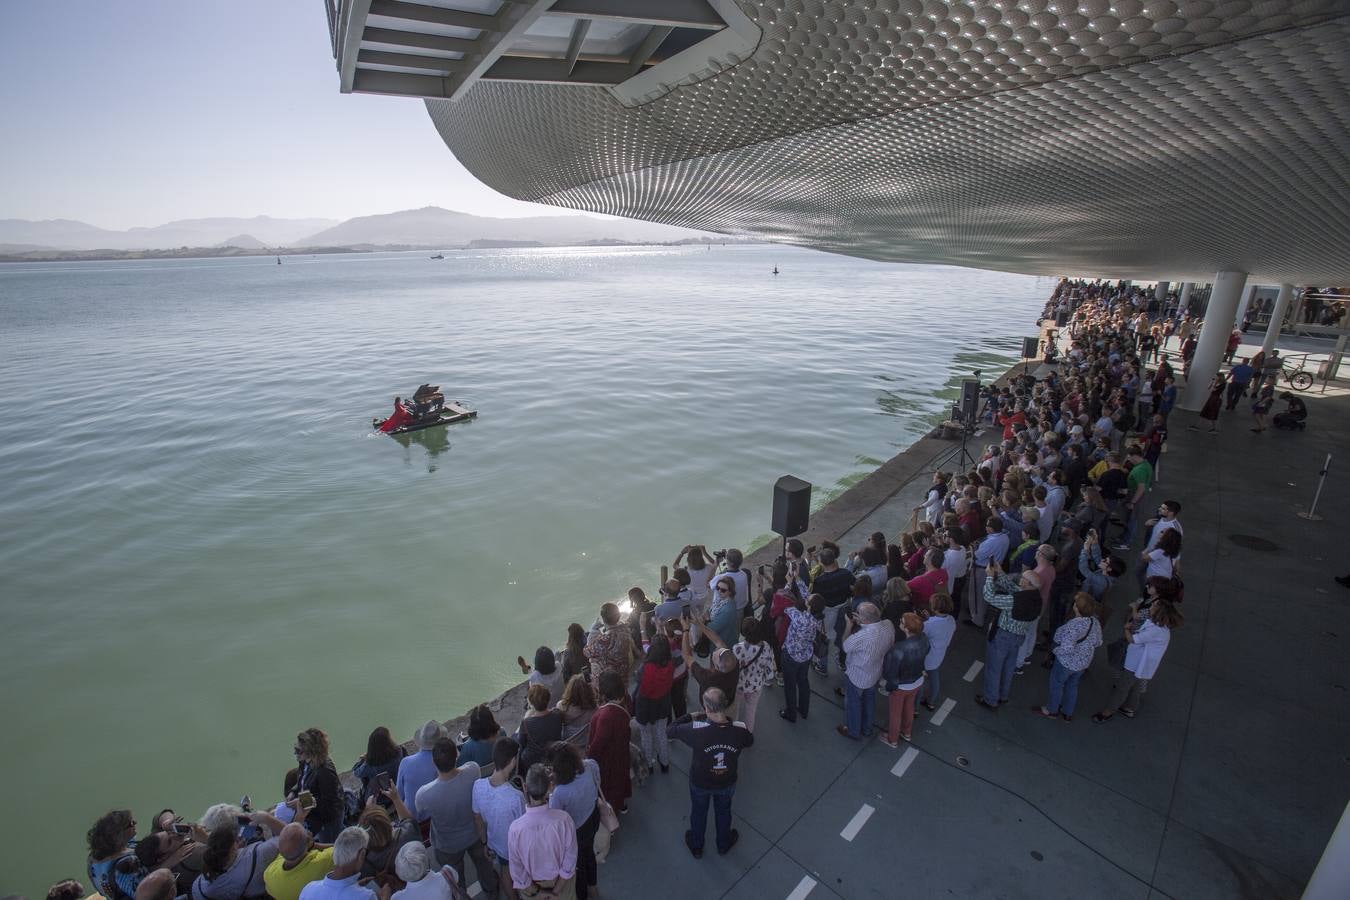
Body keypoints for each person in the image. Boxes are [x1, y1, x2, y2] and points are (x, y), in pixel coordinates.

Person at [671, 688, 755, 858]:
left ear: (707, 709)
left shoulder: (696, 730)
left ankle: (697, 845)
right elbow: (750, 741)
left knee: (699, 812)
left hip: (700, 782)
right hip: (727, 781)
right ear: (725, 705)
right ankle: (723, 844)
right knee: (724, 811)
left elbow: (671, 729)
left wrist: (691, 716)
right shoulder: (739, 729)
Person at [415, 738, 496, 897]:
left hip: (447, 845)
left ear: (434, 762)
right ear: (457, 755)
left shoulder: (424, 794)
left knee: (456, 880)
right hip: (475, 835)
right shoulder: (472, 769)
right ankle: (493, 893)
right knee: (484, 866)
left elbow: (419, 812)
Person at [1094, 600, 1184, 723]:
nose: (1150, 607)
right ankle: (1130, 707)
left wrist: (1126, 628)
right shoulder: (1161, 628)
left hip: (1136, 663)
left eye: (1153, 606)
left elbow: (1132, 639)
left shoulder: (1155, 630)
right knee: (1136, 686)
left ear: (1158, 612)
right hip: (1141, 663)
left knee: (1122, 688)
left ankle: (1107, 712)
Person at [976, 564, 1042, 711]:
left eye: (1023, 578)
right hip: (1018, 637)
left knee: (994, 668)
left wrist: (989, 577)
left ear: (1028, 583)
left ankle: (990, 700)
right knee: (1008, 668)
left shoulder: (1015, 601)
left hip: (1003, 637)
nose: (1020, 578)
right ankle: (1003, 695)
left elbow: (989, 596)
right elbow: (1014, 589)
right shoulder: (1035, 597)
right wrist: (999, 572)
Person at [192, 805, 290, 900]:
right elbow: (290, 837)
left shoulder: (198, 886)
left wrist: (209, 842)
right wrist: (266, 818)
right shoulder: (258, 853)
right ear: (235, 844)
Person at [507, 766, 577, 899]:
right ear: (550, 787)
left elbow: (517, 871)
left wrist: (538, 892)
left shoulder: (515, 829)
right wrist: (556, 891)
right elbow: (570, 859)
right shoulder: (564, 820)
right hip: (561, 883)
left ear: (525, 787)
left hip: (532, 887)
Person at [1033, 593, 1102, 721]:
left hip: (1066, 663)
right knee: (1073, 685)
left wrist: (1054, 650)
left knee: (1057, 685)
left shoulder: (1073, 625)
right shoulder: (1095, 622)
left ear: (1077, 608)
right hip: (1083, 663)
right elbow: (1098, 642)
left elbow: (1067, 649)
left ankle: (1052, 710)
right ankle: (1067, 712)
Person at [471, 738, 525, 900]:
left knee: (504, 874)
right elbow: (524, 827)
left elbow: (478, 818)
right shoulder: (516, 797)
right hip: (515, 849)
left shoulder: (477, 786)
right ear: (513, 760)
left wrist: (484, 843)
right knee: (518, 876)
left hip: (495, 844)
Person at [547, 743, 601, 900]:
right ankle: (593, 887)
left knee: (578, 865)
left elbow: (555, 817)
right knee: (589, 852)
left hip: (575, 832)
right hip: (593, 817)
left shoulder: (559, 792)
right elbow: (598, 782)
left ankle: (583, 894)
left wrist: (550, 792)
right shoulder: (590, 765)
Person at [835, 602, 894, 740]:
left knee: (853, 704)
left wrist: (849, 626)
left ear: (865, 619)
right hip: (875, 672)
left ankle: (852, 731)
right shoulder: (888, 625)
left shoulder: (863, 636)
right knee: (869, 701)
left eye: (858, 614)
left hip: (857, 674)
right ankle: (867, 729)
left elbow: (845, 646)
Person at [585, 670, 632, 816]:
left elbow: (598, 744)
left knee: (609, 786)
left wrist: (588, 757)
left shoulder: (606, 715)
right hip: (622, 751)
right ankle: (622, 804)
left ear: (604, 691)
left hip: (608, 759)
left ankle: (611, 812)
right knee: (621, 778)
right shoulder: (626, 700)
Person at [880, 612, 930, 747]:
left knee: (895, 713)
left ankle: (892, 739)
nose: (900, 623)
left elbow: (890, 672)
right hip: (917, 681)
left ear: (907, 629)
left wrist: (890, 686)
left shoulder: (898, 649)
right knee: (909, 707)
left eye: (902, 622)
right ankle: (907, 733)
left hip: (900, 686)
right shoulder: (924, 639)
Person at [296, 827, 383, 900]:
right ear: (362, 855)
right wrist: (384, 897)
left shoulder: (308, 889)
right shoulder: (366, 896)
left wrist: (355, 886)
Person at [779, 591, 824, 722]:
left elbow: (784, 604)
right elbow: (807, 596)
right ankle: (804, 710)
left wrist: (788, 585)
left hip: (791, 656)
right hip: (806, 655)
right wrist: (796, 578)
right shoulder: (818, 618)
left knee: (790, 686)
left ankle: (790, 713)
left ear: (809, 606)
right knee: (803, 682)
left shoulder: (799, 617)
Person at [809, 547, 856, 674]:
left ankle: (822, 666)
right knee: (843, 635)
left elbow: (815, 599)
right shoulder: (846, 573)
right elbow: (853, 587)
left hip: (827, 614)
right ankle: (841, 662)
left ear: (822, 563)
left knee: (823, 640)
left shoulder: (820, 581)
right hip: (844, 609)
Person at [633, 634, 675, 772]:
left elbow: (638, 679)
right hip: (663, 704)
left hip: (645, 706)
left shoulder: (645, 668)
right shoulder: (670, 664)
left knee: (646, 736)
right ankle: (664, 762)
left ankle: (649, 764)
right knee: (661, 733)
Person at [87, 810, 148, 900]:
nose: (135, 823)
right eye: (131, 823)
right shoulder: (126, 866)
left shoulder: (93, 859)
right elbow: (147, 894)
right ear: (120, 834)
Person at [265, 822, 334, 900]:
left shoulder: (269, 873)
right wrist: (314, 845)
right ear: (308, 842)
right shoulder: (324, 861)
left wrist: (299, 816)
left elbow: (291, 837)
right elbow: (341, 848)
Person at [399, 721, 447, 825]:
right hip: (437, 817)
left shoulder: (406, 762)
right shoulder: (444, 762)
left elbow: (399, 794)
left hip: (412, 820)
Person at [583, 603, 636, 696]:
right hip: (623, 673)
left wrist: (592, 632)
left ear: (603, 619)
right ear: (619, 616)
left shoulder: (604, 640)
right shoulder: (625, 630)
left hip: (608, 679)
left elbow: (587, 652)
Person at [919, 591, 956, 712]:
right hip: (939, 655)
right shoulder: (951, 620)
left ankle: (915, 706)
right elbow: (939, 627)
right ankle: (931, 702)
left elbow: (920, 635)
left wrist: (925, 620)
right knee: (934, 679)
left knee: (920, 683)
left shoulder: (928, 625)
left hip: (926, 658)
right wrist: (929, 618)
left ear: (934, 608)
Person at [515, 685, 564, 776]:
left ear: (531, 703)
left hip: (533, 760)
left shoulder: (526, 723)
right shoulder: (557, 715)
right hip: (554, 755)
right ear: (548, 699)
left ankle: (520, 775)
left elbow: (521, 742)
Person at [354, 727, 406, 809]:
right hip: (397, 790)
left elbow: (356, 773)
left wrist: (363, 759)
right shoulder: (399, 751)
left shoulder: (370, 763)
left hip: (379, 799)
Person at [555, 675, 598, 740]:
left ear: (569, 689)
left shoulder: (560, 706)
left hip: (567, 744)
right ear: (588, 690)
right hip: (586, 743)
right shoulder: (594, 708)